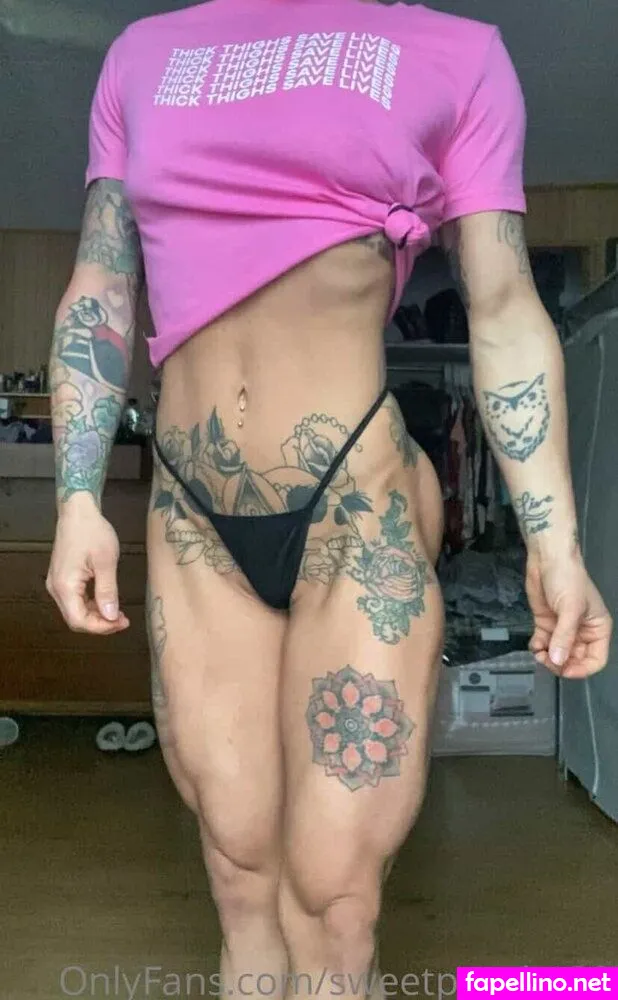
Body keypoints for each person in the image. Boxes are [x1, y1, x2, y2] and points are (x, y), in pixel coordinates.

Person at [46, 0, 612, 996]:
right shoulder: (141, 55)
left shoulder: (457, 56)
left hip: (355, 511)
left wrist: (554, 541)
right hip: (192, 519)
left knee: (335, 896)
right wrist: (76, 497)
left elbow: (502, 304)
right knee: (239, 870)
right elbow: (102, 280)